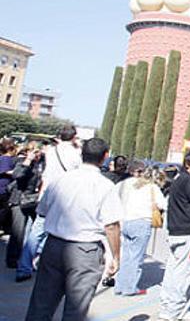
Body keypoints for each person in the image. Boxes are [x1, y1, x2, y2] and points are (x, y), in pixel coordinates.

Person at [24, 137, 122, 321]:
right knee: (75, 309)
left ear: (82, 153)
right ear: (105, 157)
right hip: (85, 250)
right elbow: (111, 225)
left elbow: (42, 210)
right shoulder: (105, 186)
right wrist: (116, 256)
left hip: (54, 244)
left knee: (41, 303)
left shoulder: (61, 179)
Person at [158, 151, 190, 321]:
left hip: (175, 230)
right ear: (188, 164)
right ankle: (177, 310)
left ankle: (167, 307)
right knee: (183, 273)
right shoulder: (187, 180)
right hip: (186, 231)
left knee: (173, 270)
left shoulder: (178, 179)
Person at [114, 162, 167, 296]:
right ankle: (130, 287)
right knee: (136, 257)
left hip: (125, 221)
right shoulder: (151, 187)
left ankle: (120, 285)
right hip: (142, 222)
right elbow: (162, 204)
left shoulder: (123, 184)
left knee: (126, 255)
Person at [10, 142, 46, 282]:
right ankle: (13, 260)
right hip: (20, 199)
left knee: (32, 232)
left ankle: (27, 260)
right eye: (34, 152)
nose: (37, 154)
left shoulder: (42, 164)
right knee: (18, 232)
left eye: (38, 152)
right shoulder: (22, 162)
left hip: (33, 201)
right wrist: (28, 160)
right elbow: (17, 175)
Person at [41, 125, 81, 190]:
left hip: (48, 185)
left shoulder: (51, 150)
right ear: (73, 137)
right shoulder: (76, 153)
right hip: (64, 188)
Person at [1, 138, 21, 266]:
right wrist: (14, 172)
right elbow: (5, 171)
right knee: (4, 211)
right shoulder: (6, 159)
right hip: (4, 188)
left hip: (3, 188)